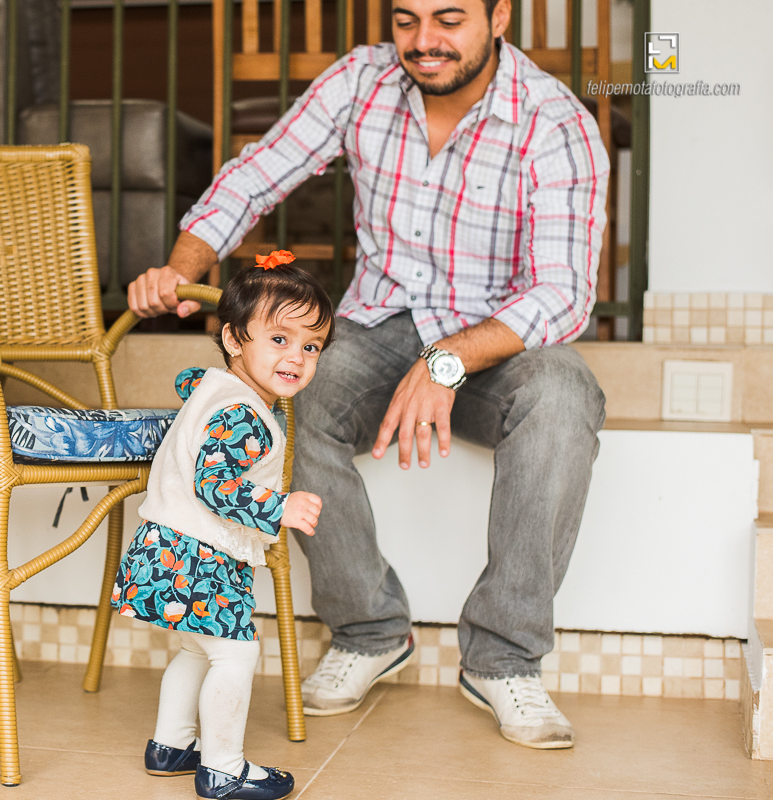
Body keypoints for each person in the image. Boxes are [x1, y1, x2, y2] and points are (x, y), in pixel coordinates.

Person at [126, 0, 608, 751]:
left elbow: (564, 293)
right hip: (377, 326)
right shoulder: (361, 80)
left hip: (496, 344)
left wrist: (444, 361)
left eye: (449, 19)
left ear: (499, 15)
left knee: (564, 398)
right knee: (294, 390)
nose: (425, 42)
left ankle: (505, 658)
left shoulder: (555, 121)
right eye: (407, 19)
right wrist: (179, 268)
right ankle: (368, 631)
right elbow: (254, 177)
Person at [113, 252, 332, 800]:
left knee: (195, 650)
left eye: (311, 347)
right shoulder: (243, 413)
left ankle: (170, 746)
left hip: (164, 547)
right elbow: (217, 486)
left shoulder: (214, 390)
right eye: (279, 340)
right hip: (199, 558)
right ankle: (223, 768)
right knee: (235, 655)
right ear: (235, 339)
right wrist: (279, 508)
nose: (297, 358)